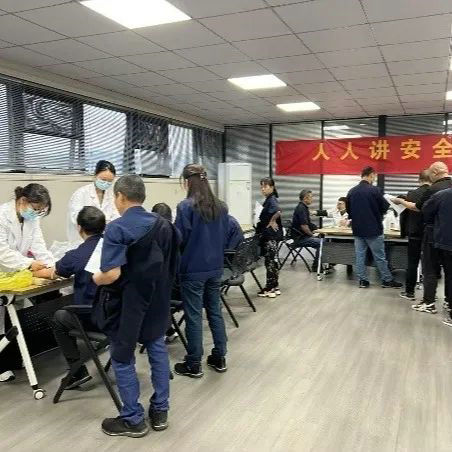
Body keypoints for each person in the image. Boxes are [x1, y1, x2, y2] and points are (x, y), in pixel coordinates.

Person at [93, 175, 179, 438]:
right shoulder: (166, 226)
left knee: (122, 358)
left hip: (128, 305)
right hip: (158, 301)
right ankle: (161, 411)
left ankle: (133, 419)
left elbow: (112, 274)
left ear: (120, 196)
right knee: (157, 350)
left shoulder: (117, 228)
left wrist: (96, 278)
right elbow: (173, 265)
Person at [34, 206, 106, 389]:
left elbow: (52, 273)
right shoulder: (115, 248)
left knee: (58, 317)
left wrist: (32, 270)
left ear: (79, 228)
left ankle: (77, 371)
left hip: (94, 319)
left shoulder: (77, 255)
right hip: (120, 315)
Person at [173, 164, 229, 378]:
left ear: (188, 182)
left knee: (194, 315)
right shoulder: (221, 207)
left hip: (192, 270)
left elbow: (180, 239)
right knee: (215, 311)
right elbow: (224, 236)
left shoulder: (185, 207)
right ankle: (219, 356)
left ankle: (193, 363)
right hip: (215, 268)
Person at [0, 184, 54, 382]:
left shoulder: (31, 218)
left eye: (41, 211)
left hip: (16, 275)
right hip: (3, 271)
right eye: (36, 209)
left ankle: (14, 358)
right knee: (0, 321)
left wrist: (53, 266)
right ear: (23, 201)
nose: (37, 214)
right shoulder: (2, 216)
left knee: (14, 317)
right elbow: (3, 252)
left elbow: (39, 246)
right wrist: (30, 263)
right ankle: (1, 365)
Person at [394, 162, 452, 313]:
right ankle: (448, 302)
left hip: (432, 234)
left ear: (435, 172)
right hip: (448, 237)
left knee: (429, 268)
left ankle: (428, 302)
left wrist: (400, 201)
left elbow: (420, 208)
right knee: (449, 270)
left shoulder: (434, 190)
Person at [346, 167, 402, 289]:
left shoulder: (351, 191)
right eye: (374, 177)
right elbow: (384, 207)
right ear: (371, 175)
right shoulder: (375, 190)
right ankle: (387, 280)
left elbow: (349, 211)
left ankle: (363, 281)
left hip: (358, 230)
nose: (374, 179)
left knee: (360, 256)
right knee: (380, 257)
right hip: (374, 230)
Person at [67, 160, 119, 246]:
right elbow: (76, 218)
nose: (106, 183)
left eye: (110, 181)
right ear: (95, 176)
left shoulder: (111, 195)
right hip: (82, 241)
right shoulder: (81, 194)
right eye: (103, 179)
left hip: (104, 241)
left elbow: (116, 216)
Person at [399, 170, 431, 301]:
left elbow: (404, 215)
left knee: (412, 263)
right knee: (430, 265)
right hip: (430, 233)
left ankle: (409, 292)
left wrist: (403, 233)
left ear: (419, 179)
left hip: (414, 233)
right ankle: (430, 296)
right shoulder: (435, 193)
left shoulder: (411, 194)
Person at [423, 187, 452, 326]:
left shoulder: (441, 195)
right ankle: (449, 303)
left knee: (446, 273)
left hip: (445, 241)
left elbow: (426, 212)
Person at [256, 177, 282, 298]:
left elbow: (278, 211)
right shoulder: (270, 199)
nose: (263, 189)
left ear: (272, 187)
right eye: (261, 187)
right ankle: (275, 286)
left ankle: (270, 288)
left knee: (270, 261)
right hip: (272, 236)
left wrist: (272, 221)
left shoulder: (271, 199)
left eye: (265, 186)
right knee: (272, 261)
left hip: (270, 236)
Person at [292, 189, 321, 271]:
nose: (312, 199)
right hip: (300, 239)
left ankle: (323, 264)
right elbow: (304, 226)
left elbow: (308, 224)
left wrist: (317, 229)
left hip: (302, 237)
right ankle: (316, 267)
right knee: (322, 243)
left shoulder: (303, 207)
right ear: (305, 198)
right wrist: (312, 235)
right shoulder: (301, 209)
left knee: (324, 240)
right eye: (311, 197)